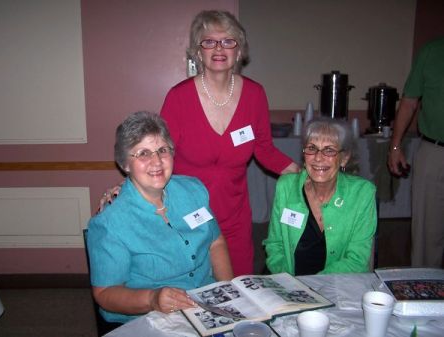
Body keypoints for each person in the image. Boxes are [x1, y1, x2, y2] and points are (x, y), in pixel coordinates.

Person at [159, 10, 300, 276]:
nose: (219, 48)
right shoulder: (179, 98)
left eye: (228, 41)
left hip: (235, 216)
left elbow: (265, 150)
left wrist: (309, 175)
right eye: (209, 41)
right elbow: (159, 155)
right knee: (194, 292)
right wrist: (131, 192)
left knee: (238, 288)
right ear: (198, 52)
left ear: (239, 50)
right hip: (188, 215)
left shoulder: (255, 95)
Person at [87, 111, 233, 324]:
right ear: (125, 164)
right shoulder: (110, 223)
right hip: (149, 317)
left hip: (205, 302)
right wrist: (152, 299)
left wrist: (227, 290)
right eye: (143, 153)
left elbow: (215, 242)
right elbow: (104, 293)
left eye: (162, 150)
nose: (156, 161)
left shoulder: (193, 190)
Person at [264, 117, 377, 275]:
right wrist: (288, 281)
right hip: (289, 286)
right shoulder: (286, 187)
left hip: (338, 288)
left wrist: (314, 286)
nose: (318, 157)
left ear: (344, 158)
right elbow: (274, 245)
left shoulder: (362, 193)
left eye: (329, 150)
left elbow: (357, 260)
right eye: (312, 148)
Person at [387, 37, 444, 268]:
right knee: (426, 236)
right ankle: (424, 294)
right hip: (435, 150)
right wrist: (395, 146)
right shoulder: (432, 51)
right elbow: (409, 101)